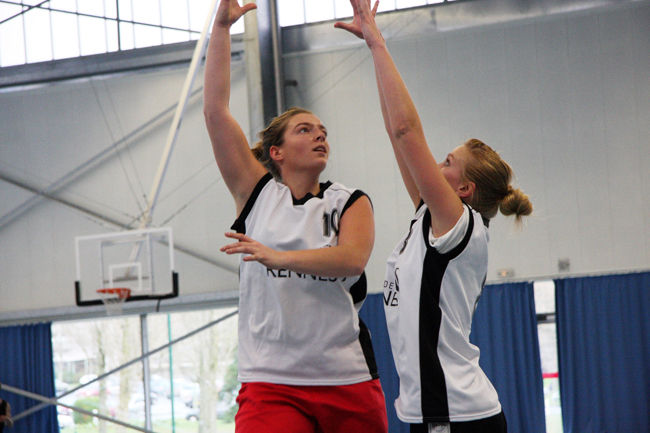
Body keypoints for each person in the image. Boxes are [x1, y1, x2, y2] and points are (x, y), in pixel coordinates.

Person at [336, 1, 533, 432]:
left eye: (446, 161)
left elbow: (407, 132)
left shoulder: (457, 223)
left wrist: (377, 43)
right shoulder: (431, 219)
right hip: (430, 412)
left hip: (457, 414)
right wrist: (373, 54)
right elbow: (395, 131)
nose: (435, 165)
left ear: (464, 190)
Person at [203, 1, 388, 432]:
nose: (319, 134)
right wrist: (221, 28)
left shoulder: (350, 200)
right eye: (305, 129)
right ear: (277, 152)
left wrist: (278, 257)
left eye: (322, 130)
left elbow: (351, 260)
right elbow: (215, 113)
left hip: (346, 377)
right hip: (271, 380)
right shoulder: (256, 194)